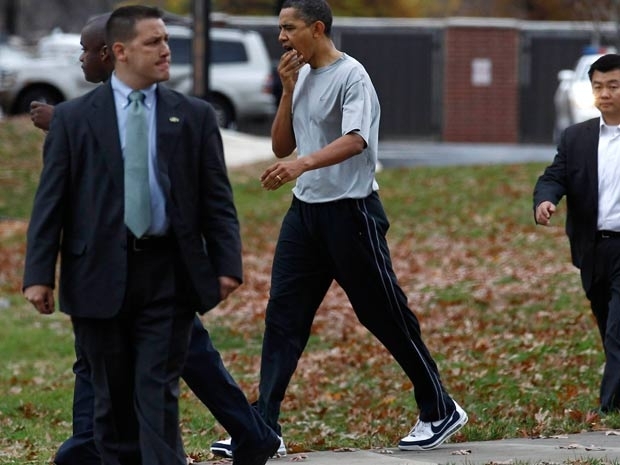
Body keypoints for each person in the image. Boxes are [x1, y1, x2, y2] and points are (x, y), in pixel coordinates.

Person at [23, 5, 279, 465]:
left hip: (168, 274)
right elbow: (51, 204)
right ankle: (88, 448)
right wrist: (38, 274)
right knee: (112, 403)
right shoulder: (75, 119)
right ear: (120, 52)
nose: (166, 50)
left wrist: (227, 265)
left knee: (158, 397)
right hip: (98, 274)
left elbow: (215, 199)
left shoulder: (193, 116)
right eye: (154, 42)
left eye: (166, 40)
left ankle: (239, 437)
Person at [211, 0, 467, 458]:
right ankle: (263, 426)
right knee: (283, 319)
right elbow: (281, 143)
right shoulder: (303, 75)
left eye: (289, 28)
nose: (281, 38)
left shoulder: (353, 77)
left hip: (352, 215)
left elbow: (355, 140)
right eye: (279, 30)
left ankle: (439, 407)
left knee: (385, 315)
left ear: (317, 27)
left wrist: (301, 164)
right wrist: (288, 91)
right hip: (305, 215)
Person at [534, 53, 620, 414]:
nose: (605, 94)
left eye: (613, 86)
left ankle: (611, 406)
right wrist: (546, 200)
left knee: (618, 330)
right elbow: (553, 177)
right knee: (607, 325)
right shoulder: (577, 138)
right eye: (598, 87)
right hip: (593, 248)